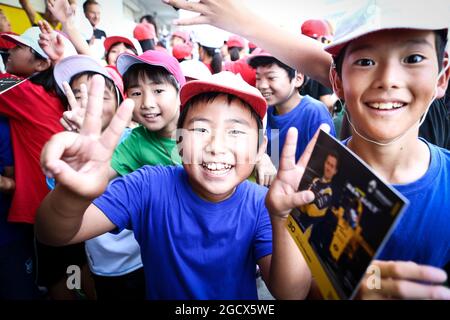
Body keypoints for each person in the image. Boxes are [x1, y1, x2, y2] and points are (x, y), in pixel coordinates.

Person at [164, 0, 450, 300]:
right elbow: (297, 291)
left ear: (441, 77)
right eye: (365, 62)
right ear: (337, 82)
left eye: (414, 57)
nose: (388, 80)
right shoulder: (313, 181)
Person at [36, 71, 313, 299]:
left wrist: (281, 219)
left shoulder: (261, 203)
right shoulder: (147, 186)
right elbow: (53, 234)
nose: (216, 146)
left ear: (259, 148)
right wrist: (72, 194)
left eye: (236, 132)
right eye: (200, 129)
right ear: (179, 143)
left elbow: (292, 294)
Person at [53, 54, 145, 300]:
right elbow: (58, 204)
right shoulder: (65, 148)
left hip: (146, 260)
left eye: (100, 95)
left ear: (118, 101)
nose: (87, 103)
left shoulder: (138, 141)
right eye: (78, 95)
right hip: (103, 266)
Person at [248, 50, 335, 167]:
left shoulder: (314, 113)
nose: (262, 85)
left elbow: (326, 165)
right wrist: (261, 158)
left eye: (271, 77)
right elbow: (270, 158)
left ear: (298, 79)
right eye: (258, 78)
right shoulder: (265, 113)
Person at [298, 152, 338, 230]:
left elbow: (310, 210)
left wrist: (304, 198)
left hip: (305, 232)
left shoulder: (328, 193)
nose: (328, 167)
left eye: (332, 166)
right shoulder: (316, 180)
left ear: (335, 171)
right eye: (328, 163)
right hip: (298, 219)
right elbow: (302, 204)